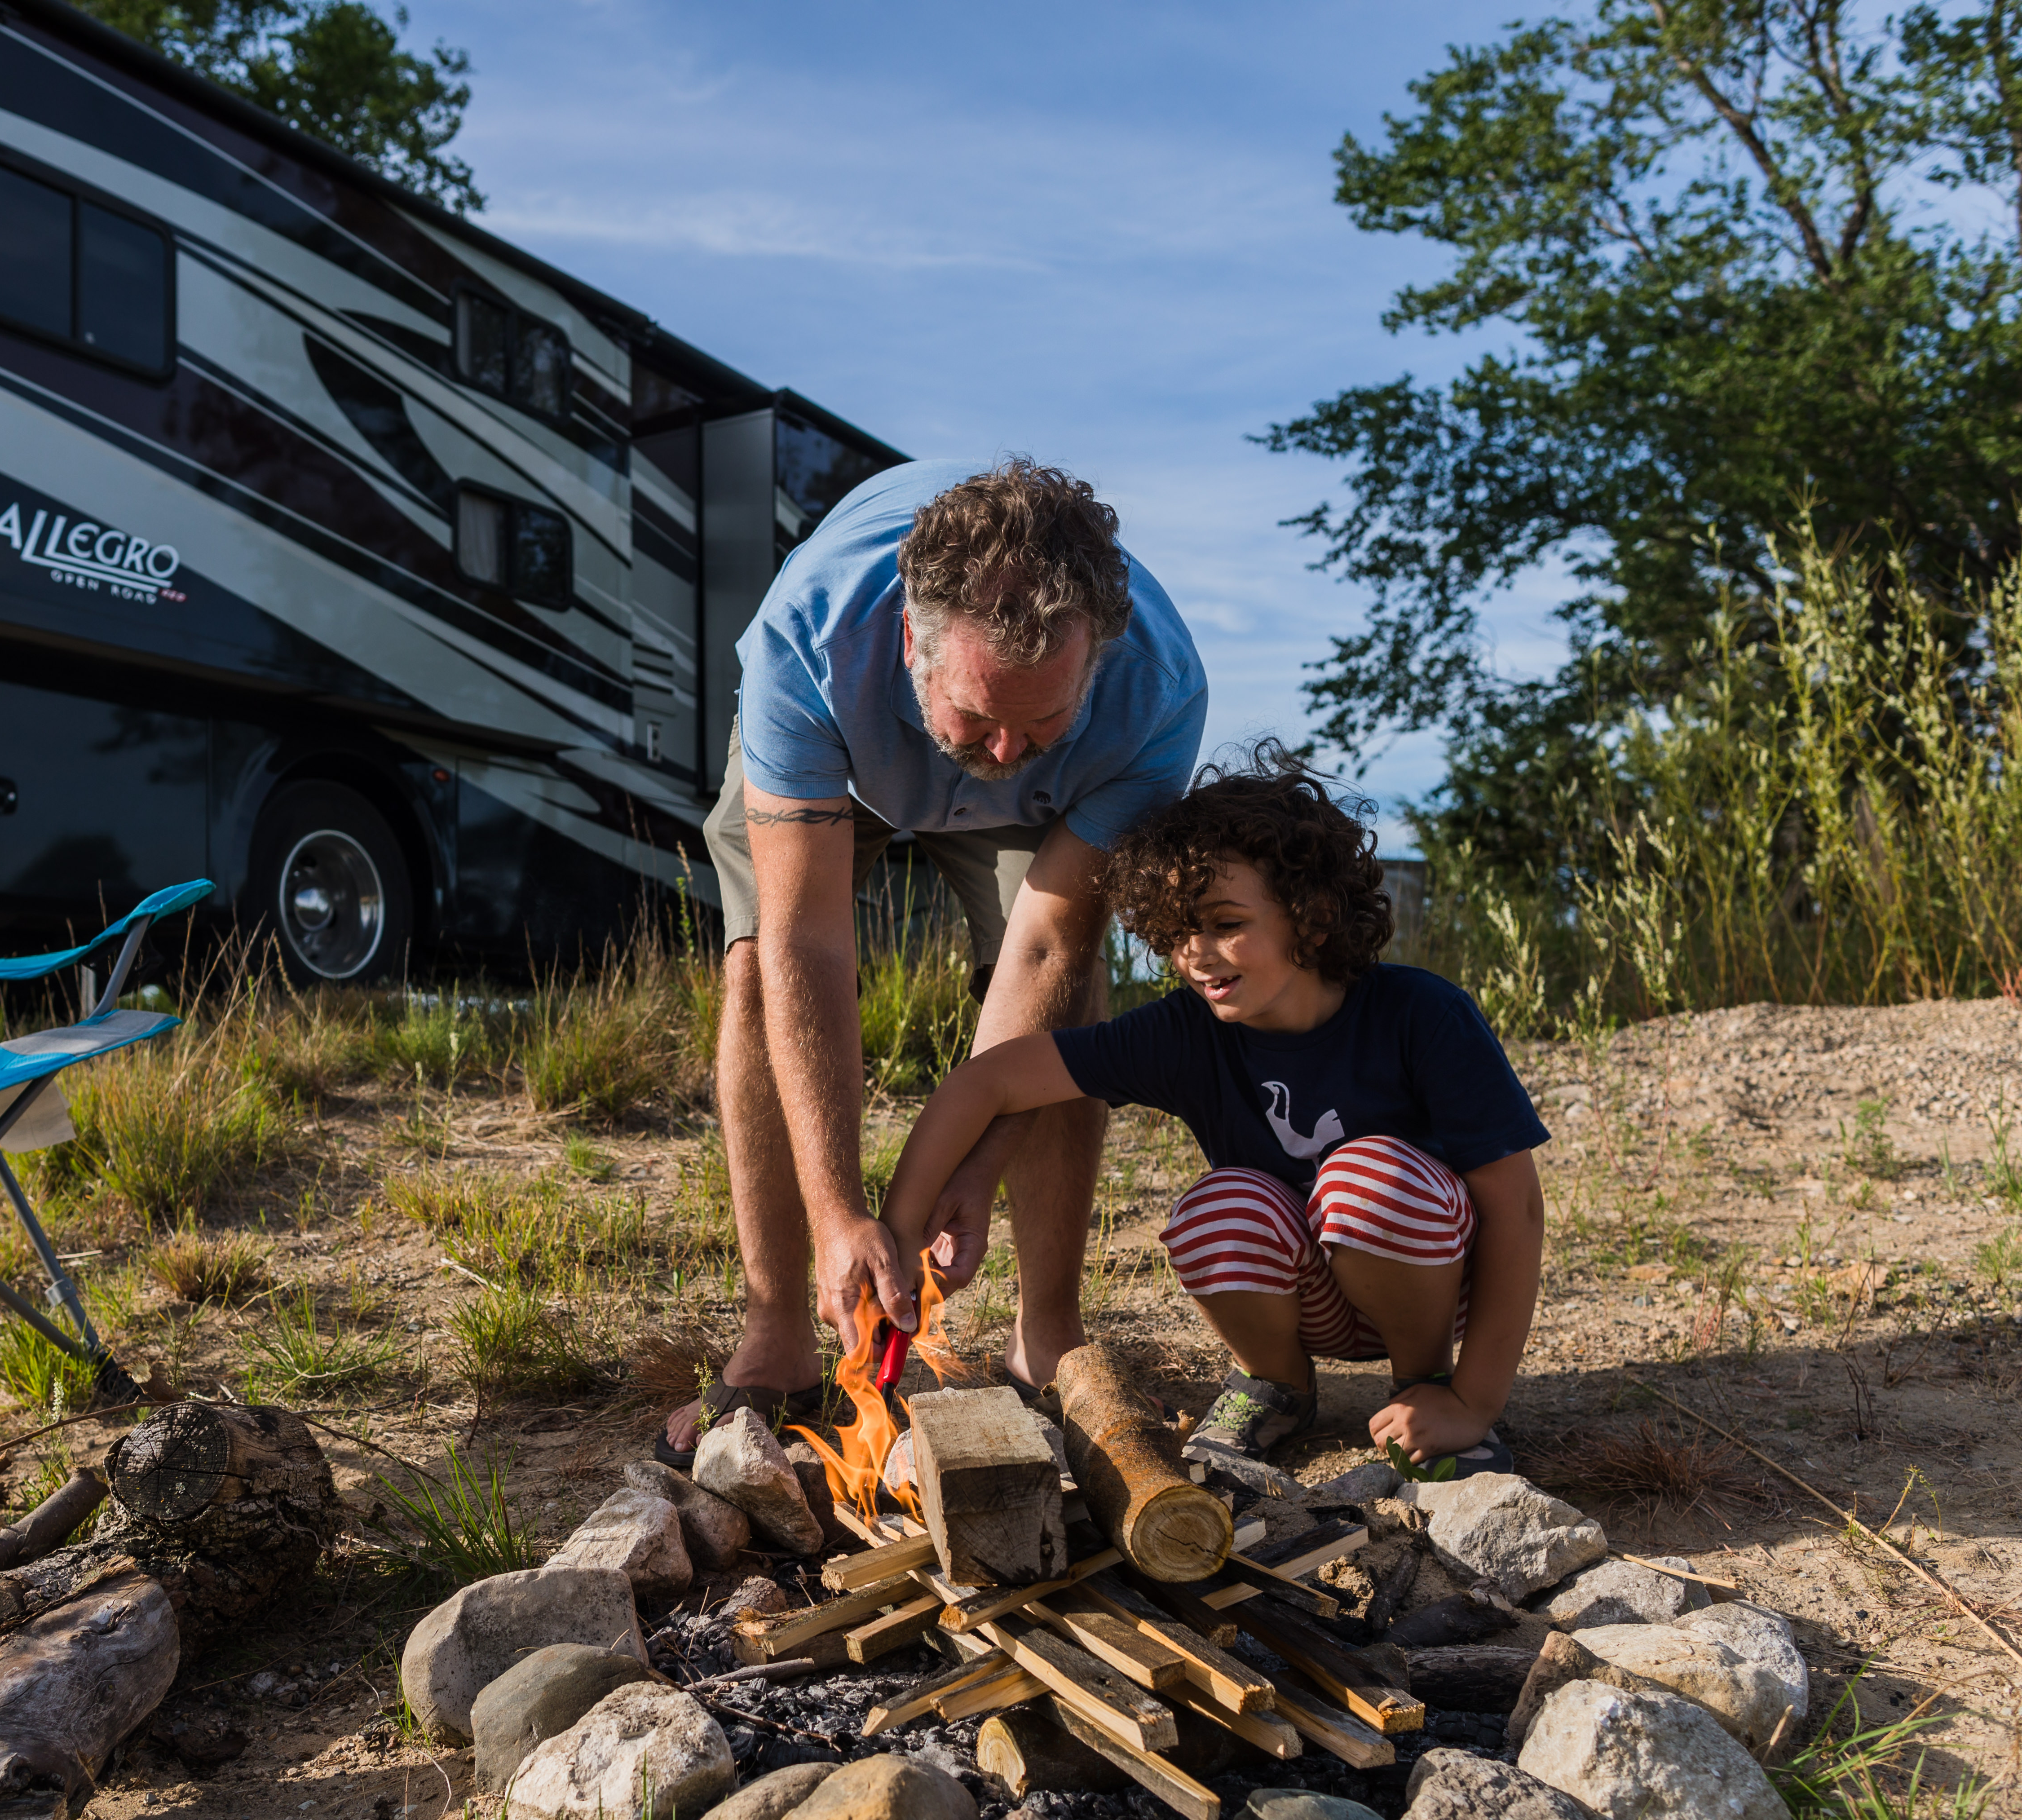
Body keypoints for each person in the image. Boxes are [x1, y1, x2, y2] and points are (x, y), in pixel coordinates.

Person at [653, 457, 1209, 1468]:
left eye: (1039, 720)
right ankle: (779, 1334)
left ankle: (1047, 1335)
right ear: (914, 642)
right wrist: (843, 1214)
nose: (1002, 750)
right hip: (849, 752)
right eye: (979, 715)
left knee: (1077, 989)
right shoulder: (808, 641)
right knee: (752, 968)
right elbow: (809, 942)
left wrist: (969, 1169)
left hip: (1057, 803)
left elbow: (1045, 944)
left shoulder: (1155, 695)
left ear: (1097, 665)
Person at [874, 747, 1548, 1473]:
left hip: (1429, 1277)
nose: (1198, 953)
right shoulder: (1186, 1032)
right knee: (1217, 1206)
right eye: (1176, 931)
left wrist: (1475, 1399)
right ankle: (1278, 1384)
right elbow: (989, 1082)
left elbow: (1516, 1211)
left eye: (1227, 923)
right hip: (1310, 1294)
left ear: (1314, 916)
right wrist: (902, 1224)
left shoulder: (1423, 1015)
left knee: (1365, 1177)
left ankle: (1425, 1384)